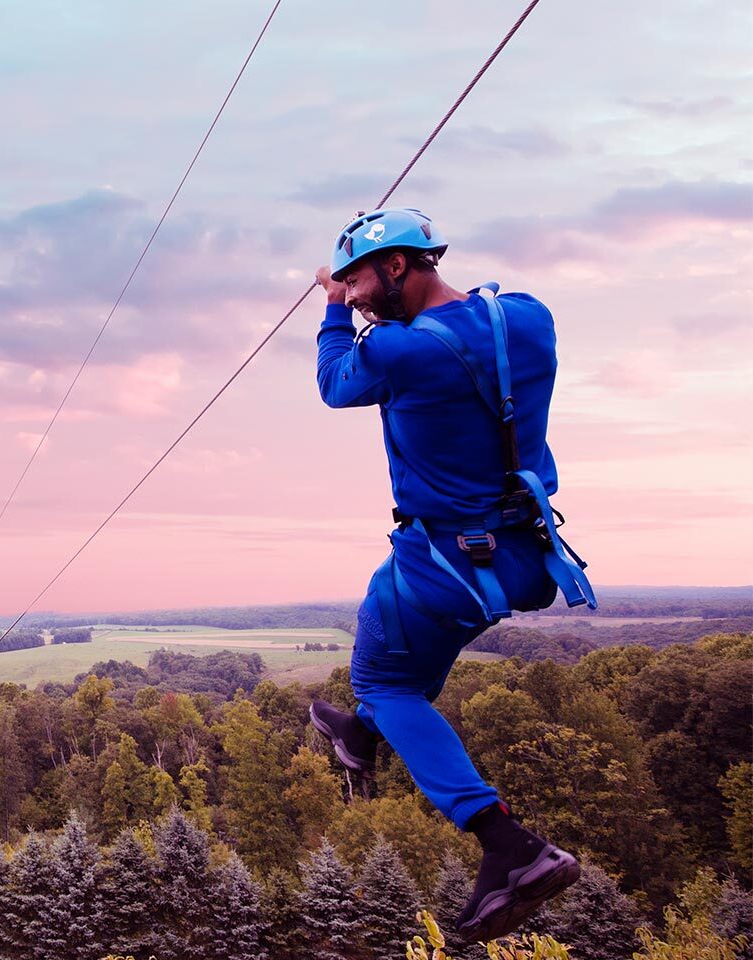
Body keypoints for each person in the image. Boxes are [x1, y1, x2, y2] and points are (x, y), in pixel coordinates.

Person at [307, 208, 596, 942]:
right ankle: (362, 737)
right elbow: (479, 318)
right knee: (408, 672)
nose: (360, 296)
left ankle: (511, 847)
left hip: (440, 567)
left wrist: (332, 308)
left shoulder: (399, 353)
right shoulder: (531, 319)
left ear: (399, 266)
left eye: (364, 281)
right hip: (525, 558)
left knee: (386, 683)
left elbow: (336, 384)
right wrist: (353, 287)